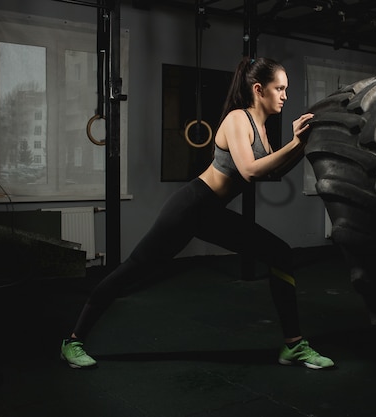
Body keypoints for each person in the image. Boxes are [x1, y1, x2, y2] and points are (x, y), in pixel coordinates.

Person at [60, 57, 334, 370]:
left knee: (280, 253)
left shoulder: (261, 127)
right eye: (279, 88)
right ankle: (73, 339)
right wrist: (296, 143)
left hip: (211, 212)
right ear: (259, 89)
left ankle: (294, 346)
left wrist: (301, 144)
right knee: (133, 270)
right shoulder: (237, 120)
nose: (285, 95)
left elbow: (273, 172)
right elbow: (250, 172)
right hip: (190, 206)